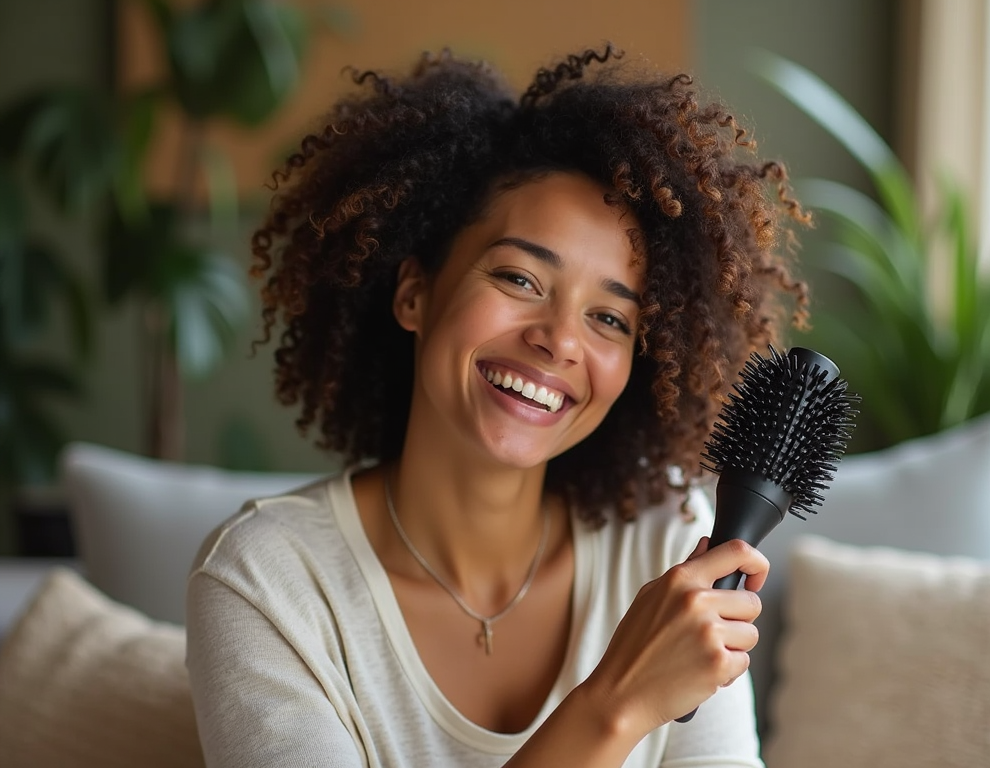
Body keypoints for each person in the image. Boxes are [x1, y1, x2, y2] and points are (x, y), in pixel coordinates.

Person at [185, 45, 810, 768]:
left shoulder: (667, 542)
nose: (558, 341)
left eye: (610, 319)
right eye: (518, 278)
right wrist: (615, 704)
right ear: (414, 292)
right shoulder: (268, 582)